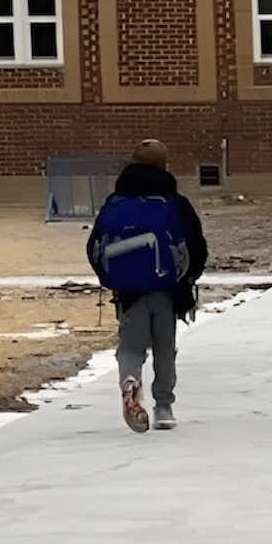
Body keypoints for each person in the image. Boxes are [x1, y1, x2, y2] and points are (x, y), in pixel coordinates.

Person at [86, 139, 207, 433]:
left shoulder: (115, 202)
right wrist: (189, 278)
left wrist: (112, 278)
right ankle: (164, 406)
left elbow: (94, 246)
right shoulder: (174, 202)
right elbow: (197, 246)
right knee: (165, 347)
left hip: (129, 290)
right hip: (168, 288)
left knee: (130, 346)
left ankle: (130, 380)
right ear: (164, 165)